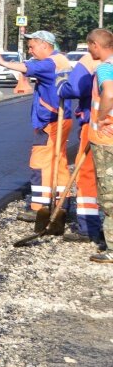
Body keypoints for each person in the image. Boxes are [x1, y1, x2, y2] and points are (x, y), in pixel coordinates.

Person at [0, 29, 73, 219]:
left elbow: (27, 68)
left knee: (40, 162)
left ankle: (40, 206)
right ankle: (62, 202)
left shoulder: (48, 64)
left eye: (32, 46)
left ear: (44, 45)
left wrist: (3, 62)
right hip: (63, 117)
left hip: (50, 120)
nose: (30, 50)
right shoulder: (61, 60)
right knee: (59, 160)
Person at [56, 47, 104, 246]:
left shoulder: (93, 60)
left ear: (94, 45)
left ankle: (88, 227)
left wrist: (61, 86)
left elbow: (75, 88)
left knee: (86, 175)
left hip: (97, 126)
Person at [85, 28, 113, 263]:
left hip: (106, 138)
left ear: (96, 45)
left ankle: (111, 247)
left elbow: (109, 93)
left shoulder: (105, 67)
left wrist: (102, 117)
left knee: (109, 194)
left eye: (89, 46)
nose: (88, 50)